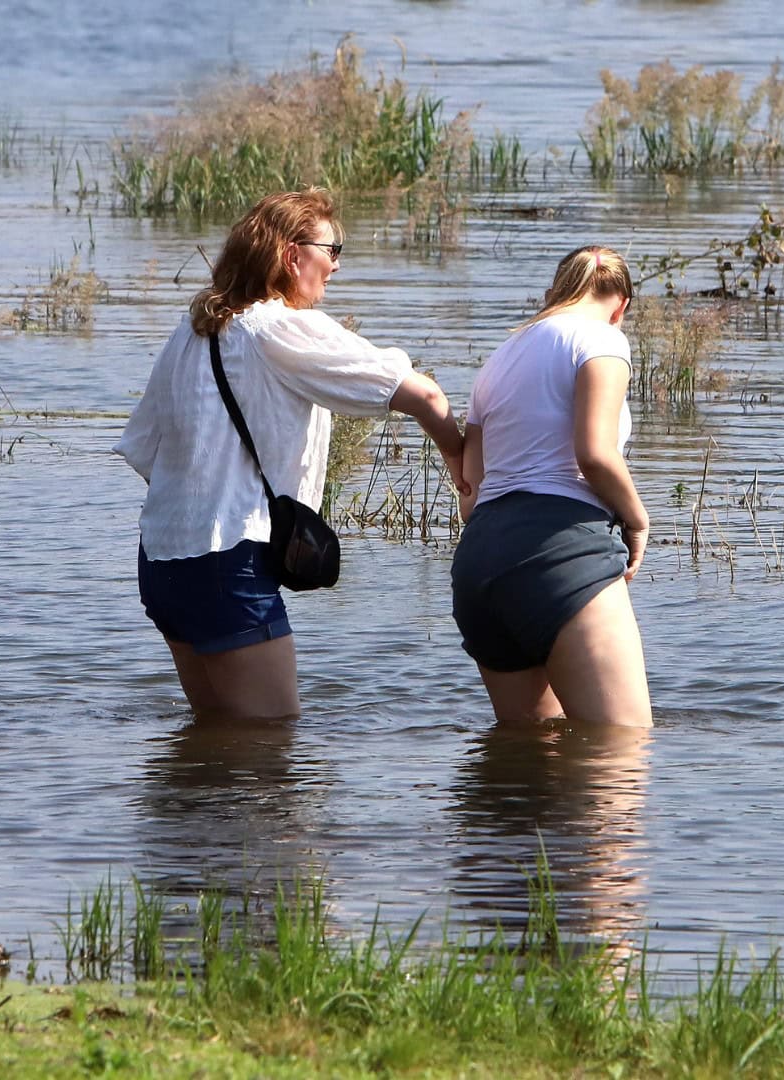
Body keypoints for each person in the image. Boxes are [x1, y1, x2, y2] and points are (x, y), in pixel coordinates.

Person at [114, 188, 467, 723]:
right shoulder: (279, 326)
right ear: (290, 254)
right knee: (272, 750)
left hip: (162, 561)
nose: (337, 267)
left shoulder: (190, 333)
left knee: (215, 747)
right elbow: (425, 395)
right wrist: (464, 473)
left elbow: (146, 453)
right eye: (332, 249)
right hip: (228, 560)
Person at [451, 244, 652, 728]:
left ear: (554, 293)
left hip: (480, 565)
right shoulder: (602, 339)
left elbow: (470, 495)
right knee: (620, 759)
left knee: (527, 760)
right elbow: (595, 455)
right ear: (620, 305)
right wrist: (639, 521)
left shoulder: (498, 359)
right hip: (562, 556)